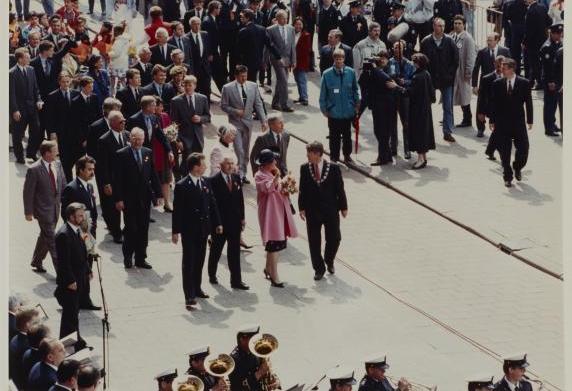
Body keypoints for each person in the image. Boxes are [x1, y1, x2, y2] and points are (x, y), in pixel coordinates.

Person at [172, 153, 223, 308]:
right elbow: (178, 210)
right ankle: (189, 295)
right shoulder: (182, 185)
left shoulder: (206, 182)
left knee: (200, 260)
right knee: (189, 262)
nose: (206, 167)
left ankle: (198, 287)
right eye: (203, 164)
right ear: (195, 167)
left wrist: (218, 223)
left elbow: (212, 204)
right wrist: (175, 231)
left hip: (204, 229)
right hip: (189, 230)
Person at [113, 128, 163, 269]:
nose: (138, 141)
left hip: (144, 198)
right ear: (130, 139)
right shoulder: (121, 154)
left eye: (140, 138)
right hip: (128, 199)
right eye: (135, 138)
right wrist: (118, 199)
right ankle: (128, 257)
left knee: (143, 229)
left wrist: (159, 195)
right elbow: (117, 179)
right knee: (131, 229)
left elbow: (153, 175)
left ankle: (141, 258)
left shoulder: (147, 152)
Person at [298, 141, 347, 280]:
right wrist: (301, 207)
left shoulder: (334, 168)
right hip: (312, 210)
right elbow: (303, 189)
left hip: (331, 209)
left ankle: (329, 259)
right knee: (314, 241)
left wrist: (344, 207)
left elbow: (340, 189)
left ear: (318, 154)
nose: (307, 155)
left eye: (310, 153)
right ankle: (318, 268)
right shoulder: (305, 168)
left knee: (335, 237)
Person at [254, 149, 298, 287]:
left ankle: (268, 269)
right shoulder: (259, 175)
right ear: (267, 164)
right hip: (269, 215)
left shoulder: (272, 172)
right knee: (273, 245)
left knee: (274, 245)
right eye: (273, 160)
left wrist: (287, 186)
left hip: (278, 213)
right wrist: (277, 178)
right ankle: (275, 276)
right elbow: (267, 188)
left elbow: (278, 189)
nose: (275, 162)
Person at [23, 140, 67, 273]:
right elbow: (28, 192)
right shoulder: (34, 169)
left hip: (55, 209)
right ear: (47, 153)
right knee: (52, 240)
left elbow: (63, 184)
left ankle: (36, 261)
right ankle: (63, 273)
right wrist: (28, 212)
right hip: (42, 210)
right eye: (55, 150)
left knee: (45, 236)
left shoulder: (58, 165)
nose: (58, 153)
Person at [207, 155, 250, 289]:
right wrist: (215, 223)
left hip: (235, 222)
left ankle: (236, 281)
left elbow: (240, 200)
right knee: (216, 251)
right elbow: (212, 205)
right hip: (220, 224)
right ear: (221, 165)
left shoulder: (236, 178)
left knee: (234, 253)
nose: (231, 166)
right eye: (228, 164)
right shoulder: (213, 181)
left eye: (232, 163)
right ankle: (212, 275)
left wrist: (242, 218)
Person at [489, 58, 533, 187]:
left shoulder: (524, 83)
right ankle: (507, 177)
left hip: (518, 122)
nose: (501, 70)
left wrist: (530, 120)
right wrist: (492, 120)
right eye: (501, 68)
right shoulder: (497, 83)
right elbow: (494, 103)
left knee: (524, 148)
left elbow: (529, 103)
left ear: (512, 69)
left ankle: (517, 166)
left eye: (504, 68)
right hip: (502, 122)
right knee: (505, 152)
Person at [387, 53, 436, 169]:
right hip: (426, 109)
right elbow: (432, 94)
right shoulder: (426, 74)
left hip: (417, 110)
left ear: (418, 64)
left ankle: (420, 159)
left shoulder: (417, 77)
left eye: (415, 62)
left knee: (418, 133)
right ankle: (424, 157)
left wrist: (396, 86)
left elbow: (409, 93)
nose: (413, 64)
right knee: (424, 133)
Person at [127, 96, 175, 211]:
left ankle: (152, 204)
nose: (156, 107)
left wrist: (169, 150)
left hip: (149, 153)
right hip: (138, 154)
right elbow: (130, 139)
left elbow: (161, 136)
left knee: (151, 178)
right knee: (142, 180)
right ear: (147, 106)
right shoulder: (134, 119)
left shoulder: (154, 118)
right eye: (154, 105)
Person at [221, 65, 268, 182]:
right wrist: (235, 111)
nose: (244, 78)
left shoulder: (253, 86)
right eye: (241, 76)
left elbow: (258, 104)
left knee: (246, 150)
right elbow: (223, 105)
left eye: (245, 76)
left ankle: (243, 172)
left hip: (248, 123)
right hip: (234, 123)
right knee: (239, 149)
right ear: (235, 76)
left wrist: (263, 121)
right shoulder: (227, 88)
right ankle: (239, 173)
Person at [54, 203, 90, 341]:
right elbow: (63, 262)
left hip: (79, 277)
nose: (83, 218)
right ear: (71, 216)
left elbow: (81, 252)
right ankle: (70, 342)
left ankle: (76, 339)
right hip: (70, 282)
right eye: (80, 215)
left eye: (83, 215)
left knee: (74, 313)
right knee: (70, 314)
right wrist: (70, 281)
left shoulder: (76, 230)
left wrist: (87, 270)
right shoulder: (64, 234)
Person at [319, 48, 361, 164]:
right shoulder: (327, 74)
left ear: (344, 59)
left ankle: (347, 155)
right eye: (337, 59)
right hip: (334, 112)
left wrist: (357, 104)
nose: (339, 61)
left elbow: (355, 90)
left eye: (341, 59)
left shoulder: (351, 72)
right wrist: (324, 109)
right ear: (334, 59)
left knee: (347, 136)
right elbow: (323, 94)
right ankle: (334, 157)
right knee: (334, 137)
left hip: (348, 111)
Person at [420, 17, 459, 142]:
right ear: (434, 27)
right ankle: (425, 132)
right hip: (430, 79)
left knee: (447, 106)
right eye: (439, 26)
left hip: (446, 80)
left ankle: (447, 132)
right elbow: (421, 60)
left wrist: (450, 75)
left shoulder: (449, 41)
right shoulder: (426, 41)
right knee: (425, 106)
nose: (441, 28)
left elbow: (455, 60)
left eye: (443, 26)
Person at [97, 110, 130, 244]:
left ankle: (127, 231)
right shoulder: (104, 140)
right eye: (120, 121)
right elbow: (102, 164)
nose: (123, 123)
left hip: (127, 179)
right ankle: (116, 232)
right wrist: (106, 183)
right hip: (113, 179)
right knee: (113, 208)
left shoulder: (128, 136)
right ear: (112, 123)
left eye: (124, 120)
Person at [170, 75, 212, 174]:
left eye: (190, 85)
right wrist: (178, 140)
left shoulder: (202, 98)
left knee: (198, 162)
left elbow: (208, 117)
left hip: (198, 138)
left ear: (195, 86)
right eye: (185, 85)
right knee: (186, 163)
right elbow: (173, 123)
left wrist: (200, 119)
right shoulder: (176, 101)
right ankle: (183, 181)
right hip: (184, 138)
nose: (187, 87)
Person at [471, 33, 511, 137]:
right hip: (486, 82)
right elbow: (476, 68)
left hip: (501, 82)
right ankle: (480, 128)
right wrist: (474, 85)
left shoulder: (505, 51)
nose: (488, 42)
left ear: (497, 40)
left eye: (490, 40)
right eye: (487, 40)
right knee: (481, 103)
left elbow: (511, 66)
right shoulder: (482, 52)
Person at [9, 47, 43, 164]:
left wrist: (39, 100)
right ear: (19, 59)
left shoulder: (31, 70)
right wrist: (14, 110)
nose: (30, 59)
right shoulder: (12, 73)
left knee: (36, 130)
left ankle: (31, 153)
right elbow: (11, 94)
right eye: (27, 58)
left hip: (32, 108)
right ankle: (19, 156)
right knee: (17, 134)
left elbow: (36, 89)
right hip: (19, 110)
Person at [388, 40, 415, 159]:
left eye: (399, 48)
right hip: (393, 96)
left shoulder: (409, 64)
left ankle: (407, 149)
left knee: (406, 123)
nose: (397, 50)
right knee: (392, 123)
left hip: (404, 96)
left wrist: (405, 82)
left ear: (403, 49)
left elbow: (413, 80)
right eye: (395, 48)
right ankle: (393, 147)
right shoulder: (389, 63)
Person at [266, 10, 296, 112]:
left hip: (287, 59)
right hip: (276, 59)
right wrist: (265, 61)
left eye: (286, 18)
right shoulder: (270, 30)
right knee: (283, 80)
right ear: (277, 19)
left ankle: (274, 103)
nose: (285, 20)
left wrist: (293, 60)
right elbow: (268, 47)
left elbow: (292, 46)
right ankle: (284, 104)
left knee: (280, 81)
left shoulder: (291, 29)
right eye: (283, 18)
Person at [238, 9, 279, 83]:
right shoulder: (262, 29)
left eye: (242, 17)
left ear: (247, 18)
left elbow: (238, 49)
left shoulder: (243, 31)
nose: (240, 18)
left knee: (247, 82)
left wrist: (238, 62)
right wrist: (278, 56)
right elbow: (270, 45)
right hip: (258, 61)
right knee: (252, 81)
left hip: (246, 62)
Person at [477, 56, 505, 160]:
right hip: (493, 110)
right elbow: (482, 97)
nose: (499, 67)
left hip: (505, 109)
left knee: (498, 131)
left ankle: (490, 150)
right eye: (497, 64)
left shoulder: (508, 77)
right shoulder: (487, 78)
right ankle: (503, 155)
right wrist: (480, 112)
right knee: (500, 131)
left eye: (501, 64)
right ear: (494, 64)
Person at [451, 15, 476, 128]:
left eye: (459, 23)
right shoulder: (453, 36)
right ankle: (448, 117)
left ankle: (467, 118)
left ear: (464, 25)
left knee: (464, 96)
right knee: (455, 95)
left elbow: (471, 57)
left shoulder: (468, 38)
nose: (457, 25)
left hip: (462, 72)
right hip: (453, 72)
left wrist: (468, 73)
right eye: (455, 23)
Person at [229, 325, 271, 391]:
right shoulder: (233, 360)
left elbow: (268, 374)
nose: (256, 342)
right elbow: (237, 387)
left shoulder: (256, 351)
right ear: (242, 339)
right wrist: (259, 373)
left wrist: (275, 381)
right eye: (253, 339)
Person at [540, 22, 563, 136]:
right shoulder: (547, 47)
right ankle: (548, 128)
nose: (559, 36)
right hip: (550, 80)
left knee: (553, 104)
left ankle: (552, 124)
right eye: (557, 34)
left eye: (560, 33)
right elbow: (548, 67)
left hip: (555, 79)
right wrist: (551, 82)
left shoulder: (556, 44)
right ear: (552, 34)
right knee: (549, 104)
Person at [71, 76, 103, 156]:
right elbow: (76, 123)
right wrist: (83, 139)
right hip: (82, 136)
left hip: (94, 133)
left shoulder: (94, 98)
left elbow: (99, 116)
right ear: (83, 87)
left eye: (92, 87)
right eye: (89, 87)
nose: (91, 89)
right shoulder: (75, 101)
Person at [523, 0, 551, 89]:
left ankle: (539, 82)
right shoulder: (542, 7)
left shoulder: (530, 11)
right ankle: (534, 81)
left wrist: (524, 42)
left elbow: (528, 30)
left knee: (534, 63)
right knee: (541, 62)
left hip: (533, 41)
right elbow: (549, 21)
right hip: (543, 39)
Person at [9, 307, 40, 389]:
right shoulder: (28, 344)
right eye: (36, 322)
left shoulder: (16, 337)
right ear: (28, 325)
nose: (39, 325)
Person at [86, 97, 121, 167]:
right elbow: (91, 151)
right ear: (108, 111)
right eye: (117, 110)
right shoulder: (95, 128)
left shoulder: (120, 124)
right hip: (103, 167)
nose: (119, 113)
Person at [188, 16, 213, 99]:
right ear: (190, 25)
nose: (197, 26)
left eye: (198, 24)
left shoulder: (205, 34)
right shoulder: (186, 37)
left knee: (206, 91)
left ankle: (207, 110)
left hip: (205, 69)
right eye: (194, 24)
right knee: (194, 92)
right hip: (194, 70)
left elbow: (208, 48)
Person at [293, 17, 312, 106]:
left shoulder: (306, 35)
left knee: (302, 80)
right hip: (294, 61)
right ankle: (301, 96)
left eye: (300, 24)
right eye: (296, 24)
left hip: (302, 61)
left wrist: (296, 58)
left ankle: (305, 98)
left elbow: (306, 50)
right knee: (297, 79)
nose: (298, 26)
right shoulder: (292, 34)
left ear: (303, 25)